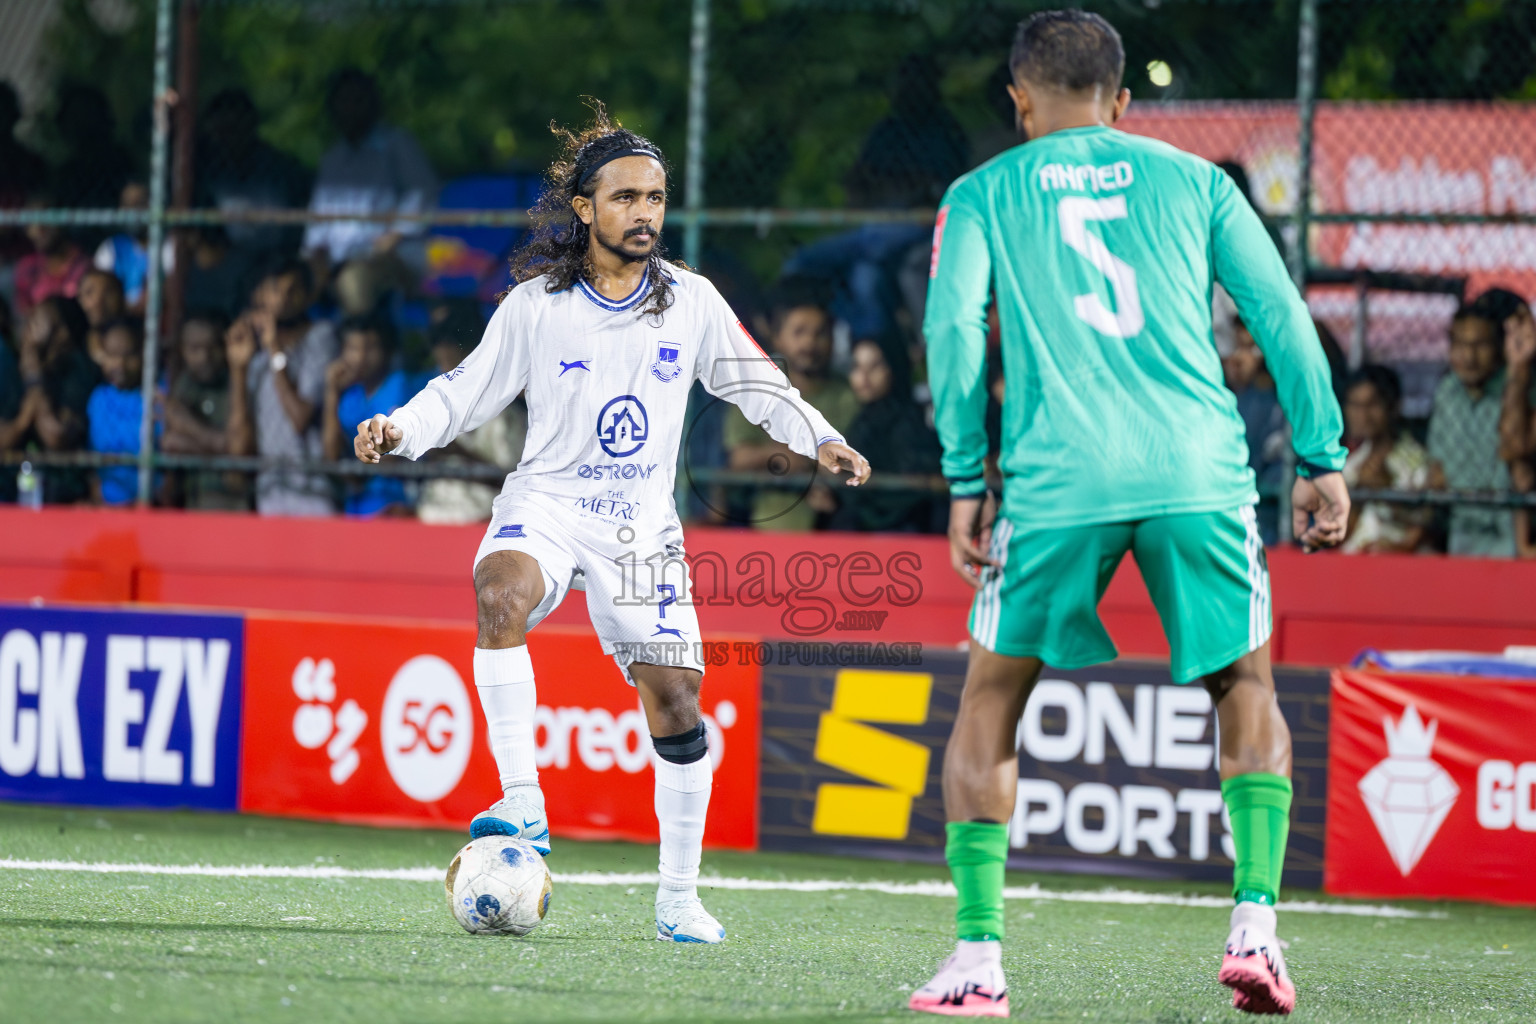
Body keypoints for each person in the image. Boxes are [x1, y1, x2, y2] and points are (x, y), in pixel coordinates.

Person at [350, 105, 869, 944]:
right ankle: (526, 809)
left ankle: (677, 900)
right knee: (499, 593)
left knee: (676, 703)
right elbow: (463, 391)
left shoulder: (693, 301)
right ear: (585, 208)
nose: (646, 213)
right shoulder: (535, 307)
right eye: (626, 197)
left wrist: (825, 438)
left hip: (639, 531)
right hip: (547, 506)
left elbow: (760, 387)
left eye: (656, 197)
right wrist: (401, 427)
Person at [917, 11, 1348, 1018]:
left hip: (1060, 476)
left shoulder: (981, 192)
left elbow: (950, 329)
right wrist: (1321, 453)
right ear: (1124, 102)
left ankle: (979, 962)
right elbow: (1280, 312)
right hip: (1197, 471)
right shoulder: (1196, 181)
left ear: (1018, 101)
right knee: (1244, 682)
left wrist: (965, 477)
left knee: (991, 700)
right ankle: (1256, 931)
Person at [302, 69, 437, 315]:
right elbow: (317, 224)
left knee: (354, 281)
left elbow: (423, 193)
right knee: (285, 280)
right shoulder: (332, 158)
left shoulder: (397, 145)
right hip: (335, 261)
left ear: (373, 104)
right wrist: (316, 257)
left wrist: (394, 235)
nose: (350, 109)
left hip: (391, 257)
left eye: (357, 100)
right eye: (343, 101)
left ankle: (366, 350)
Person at [723, 294, 861, 530]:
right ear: (777, 338)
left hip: (842, 525)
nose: (809, 343)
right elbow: (738, 459)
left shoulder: (849, 396)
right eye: (799, 332)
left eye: (819, 333)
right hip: (772, 524)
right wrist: (793, 458)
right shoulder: (756, 391)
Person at [226, 257, 339, 516]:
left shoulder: (321, 337)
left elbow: (299, 417)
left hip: (313, 488)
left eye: (294, 290)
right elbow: (239, 444)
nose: (285, 298)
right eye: (276, 289)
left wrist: (275, 348)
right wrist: (238, 368)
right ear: (261, 295)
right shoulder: (253, 351)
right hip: (270, 487)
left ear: (309, 296)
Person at [414, 302, 526, 525]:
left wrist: (457, 452)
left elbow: (512, 483)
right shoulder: (431, 403)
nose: (443, 351)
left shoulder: (503, 410)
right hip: (430, 518)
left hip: (481, 523)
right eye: (438, 342)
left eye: (451, 342)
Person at [1426, 297, 1518, 557]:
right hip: (1461, 523)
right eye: (1460, 345)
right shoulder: (1447, 392)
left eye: (1480, 345)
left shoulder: (1517, 391)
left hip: (1510, 523)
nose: (1469, 356)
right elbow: (1438, 469)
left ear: (1500, 347)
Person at [831, 337, 943, 532]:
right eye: (857, 367)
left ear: (894, 367)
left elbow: (918, 484)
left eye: (875, 366)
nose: (864, 377)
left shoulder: (911, 422)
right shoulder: (858, 421)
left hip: (913, 528)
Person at [0, 296, 98, 504]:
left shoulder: (78, 371)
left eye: (38, 318)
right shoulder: (11, 365)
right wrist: (23, 422)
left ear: (62, 332)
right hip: (17, 493)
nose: (29, 321)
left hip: (65, 496)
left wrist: (33, 371)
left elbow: (54, 435)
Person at [195, 88, 311, 261]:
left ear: (252, 126)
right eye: (221, 132)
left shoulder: (282, 170)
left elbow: (299, 226)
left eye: (234, 129)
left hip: (278, 262)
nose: (228, 140)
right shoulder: (206, 176)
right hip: (225, 266)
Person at [322, 313, 416, 515]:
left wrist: (352, 471)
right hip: (356, 507)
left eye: (370, 348)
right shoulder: (349, 395)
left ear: (387, 351)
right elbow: (331, 454)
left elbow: (389, 455)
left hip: (396, 505)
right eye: (354, 348)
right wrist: (331, 391)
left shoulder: (399, 385)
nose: (361, 357)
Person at [162, 309, 248, 511]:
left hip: (234, 503)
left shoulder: (238, 384)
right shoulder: (185, 384)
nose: (204, 357)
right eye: (195, 349)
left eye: (213, 347)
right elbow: (171, 444)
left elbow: (239, 453)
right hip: (194, 501)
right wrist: (219, 446)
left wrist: (189, 428)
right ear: (182, 350)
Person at [1341, 365, 1430, 554]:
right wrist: (1359, 493)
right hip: (1353, 561)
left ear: (1392, 406)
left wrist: (1386, 492)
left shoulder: (1416, 461)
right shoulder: (1351, 462)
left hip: (1399, 564)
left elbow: (1425, 528)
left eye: (1372, 405)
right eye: (1355, 405)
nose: (1362, 415)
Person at [1223, 316, 1289, 544]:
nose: (1240, 358)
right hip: (1234, 510)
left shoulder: (1287, 400)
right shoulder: (1234, 397)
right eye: (1238, 346)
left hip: (1273, 520)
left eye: (1251, 348)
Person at [86, 318, 150, 506]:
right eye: (112, 355)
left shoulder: (157, 396)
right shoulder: (98, 399)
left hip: (150, 505)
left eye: (129, 356)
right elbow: (92, 458)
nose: (120, 364)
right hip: (105, 506)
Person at [13, 197, 90, 320]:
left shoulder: (84, 264)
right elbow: (24, 315)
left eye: (44, 219)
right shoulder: (27, 268)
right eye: (29, 224)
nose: (37, 229)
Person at [77, 268, 127, 369]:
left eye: (89, 293)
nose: (84, 304)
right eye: (80, 296)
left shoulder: (138, 332)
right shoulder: (84, 342)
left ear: (112, 294)